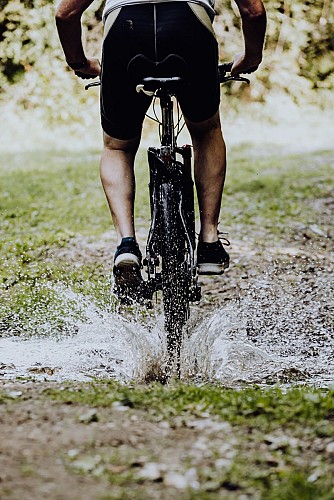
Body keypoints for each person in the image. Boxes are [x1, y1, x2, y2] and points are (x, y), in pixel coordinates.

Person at [55, 0, 266, 287]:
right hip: (188, 26)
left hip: (125, 31)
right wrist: (251, 57)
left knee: (117, 146)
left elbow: (65, 13)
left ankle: (126, 245)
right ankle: (209, 242)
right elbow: (253, 11)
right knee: (205, 132)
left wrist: (79, 62)